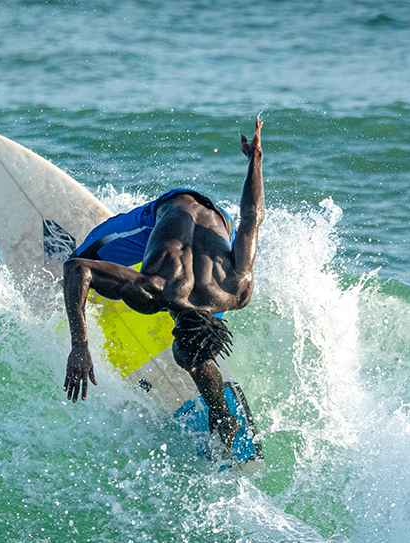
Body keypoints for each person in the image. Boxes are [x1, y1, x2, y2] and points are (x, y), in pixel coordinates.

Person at [62, 118, 264, 453]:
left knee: (196, 357)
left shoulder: (237, 288)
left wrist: (255, 160)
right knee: (83, 255)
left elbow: (252, 216)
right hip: (170, 207)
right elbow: (76, 268)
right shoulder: (153, 289)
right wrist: (79, 346)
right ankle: (221, 414)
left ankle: (222, 414)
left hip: (217, 215)